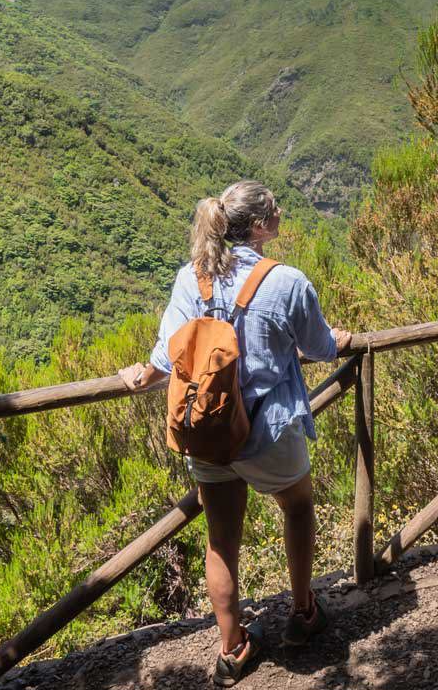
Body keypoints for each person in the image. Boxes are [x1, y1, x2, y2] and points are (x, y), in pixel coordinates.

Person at [119, 180, 353, 687]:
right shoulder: (288, 281)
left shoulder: (190, 278)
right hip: (267, 431)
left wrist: (140, 373)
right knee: (297, 506)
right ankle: (304, 613)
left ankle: (233, 648)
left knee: (221, 540)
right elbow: (319, 346)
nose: (282, 212)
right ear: (262, 225)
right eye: (275, 209)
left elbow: (168, 355)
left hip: (206, 430)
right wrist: (341, 340)